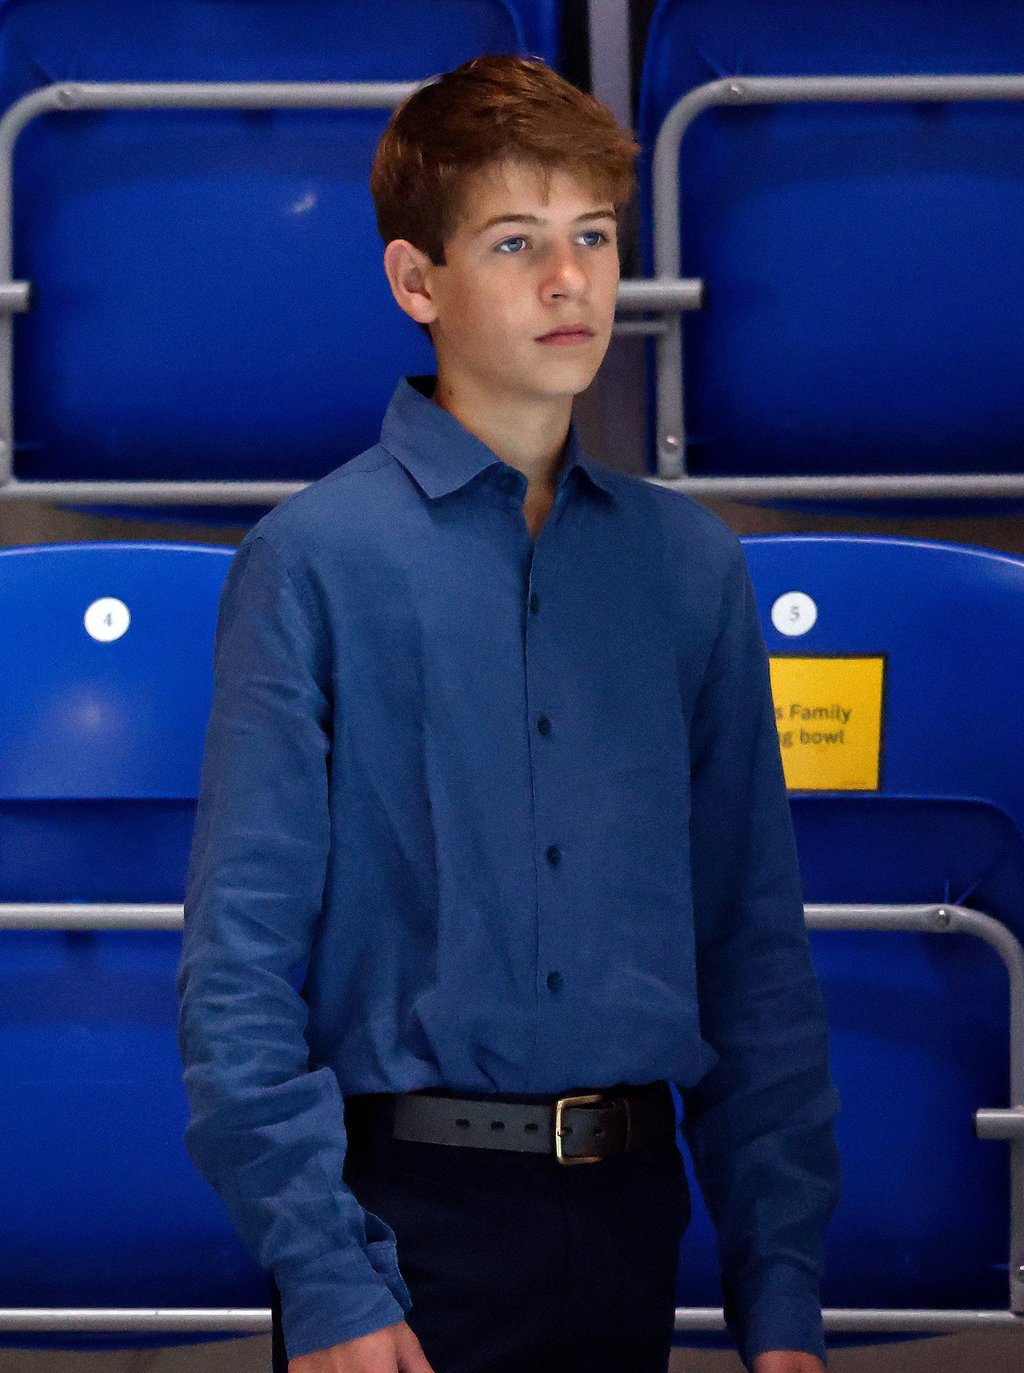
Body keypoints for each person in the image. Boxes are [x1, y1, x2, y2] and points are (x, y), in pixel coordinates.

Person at [176, 54, 841, 1373]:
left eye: (593, 237)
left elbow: (751, 952)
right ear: (416, 281)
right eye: (516, 242)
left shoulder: (691, 567)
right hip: (401, 1228)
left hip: (629, 1214)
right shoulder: (310, 562)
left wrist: (782, 1298)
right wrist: (326, 1273)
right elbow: (237, 970)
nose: (570, 281)